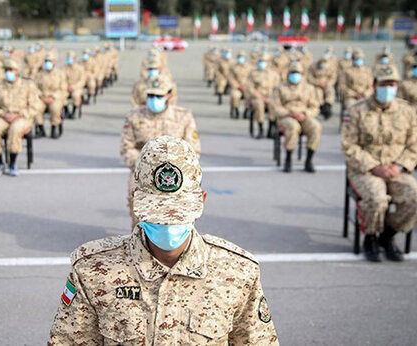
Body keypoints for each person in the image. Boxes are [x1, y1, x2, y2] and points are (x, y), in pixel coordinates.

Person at [48, 136, 279, 345]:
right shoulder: (93, 271)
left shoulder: (236, 273)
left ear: (202, 200)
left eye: (178, 214)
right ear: (134, 201)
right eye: (158, 215)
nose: (168, 225)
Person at [341, 64, 417, 262]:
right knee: (377, 198)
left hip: (396, 170)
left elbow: (414, 145)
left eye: (392, 84)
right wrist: (374, 166)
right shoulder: (356, 110)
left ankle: (387, 236)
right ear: (375, 85)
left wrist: (399, 166)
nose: (388, 88)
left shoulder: (407, 111)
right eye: (384, 84)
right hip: (365, 170)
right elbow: (349, 146)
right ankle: (371, 237)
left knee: (414, 197)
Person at [121, 75, 201, 228]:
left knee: (176, 224)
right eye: (150, 95)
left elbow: (193, 150)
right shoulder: (134, 116)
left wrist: (178, 170)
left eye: (158, 96)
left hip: (175, 176)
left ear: (169, 95)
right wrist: (144, 167)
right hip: (142, 173)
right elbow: (127, 147)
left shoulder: (183, 117)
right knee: (140, 222)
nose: (154, 99)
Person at [0, 60, 42, 177]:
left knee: (15, 130)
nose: (8, 73)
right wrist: (3, 114)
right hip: (4, 116)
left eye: (11, 70)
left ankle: (12, 163)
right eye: (6, 70)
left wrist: (19, 114)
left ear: (17, 72)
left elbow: (35, 106)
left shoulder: (28, 85)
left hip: (22, 117)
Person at [272, 61, 322, 173]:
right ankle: (288, 159)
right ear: (288, 73)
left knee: (316, 126)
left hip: (303, 115)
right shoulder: (280, 88)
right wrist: (289, 113)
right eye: (292, 72)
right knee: (293, 127)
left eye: (297, 73)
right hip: (286, 116)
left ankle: (309, 160)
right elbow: (275, 107)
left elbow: (315, 107)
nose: (295, 75)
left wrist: (305, 114)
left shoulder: (308, 88)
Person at [247, 53, 280, 139]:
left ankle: (271, 129)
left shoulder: (274, 74)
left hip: (270, 97)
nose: (262, 63)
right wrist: (258, 96)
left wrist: (271, 98)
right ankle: (261, 128)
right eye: (260, 61)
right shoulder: (253, 73)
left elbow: (278, 88)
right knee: (259, 105)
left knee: (274, 105)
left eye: (264, 61)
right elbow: (250, 87)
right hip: (258, 97)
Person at [34, 52, 67, 139]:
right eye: (46, 61)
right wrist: (40, 95)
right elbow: (34, 87)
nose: (48, 63)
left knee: (55, 108)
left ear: (54, 62)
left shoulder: (60, 74)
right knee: (35, 108)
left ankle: (54, 128)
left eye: (50, 61)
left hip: (55, 98)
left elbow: (63, 89)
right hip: (42, 97)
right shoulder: (40, 74)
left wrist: (53, 97)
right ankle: (41, 129)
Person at [229, 50, 253, 119]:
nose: (241, 58)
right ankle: (236, 110)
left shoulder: (249, 67)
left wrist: (247, 87)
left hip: (247, 88)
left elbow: (252, 79)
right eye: (239, 57)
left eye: (242, 57)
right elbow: (231, 78)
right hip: (237, 88)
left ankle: (246, 110)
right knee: (235, 95)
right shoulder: (233, 67)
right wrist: (238, 86)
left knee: (249, 96)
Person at [63, 51, 86, 119]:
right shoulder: (64, 68)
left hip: (77, 88)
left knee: (75, 95)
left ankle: (74, 111)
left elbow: (82, 80)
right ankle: (66, 111)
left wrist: (74, 87)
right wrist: (66, 86)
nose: (69, 60)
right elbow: (62, 80)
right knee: (62, 95)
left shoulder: (80, 68)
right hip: (66, 88)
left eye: (71, 58)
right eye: (68, 58)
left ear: (75, 58)